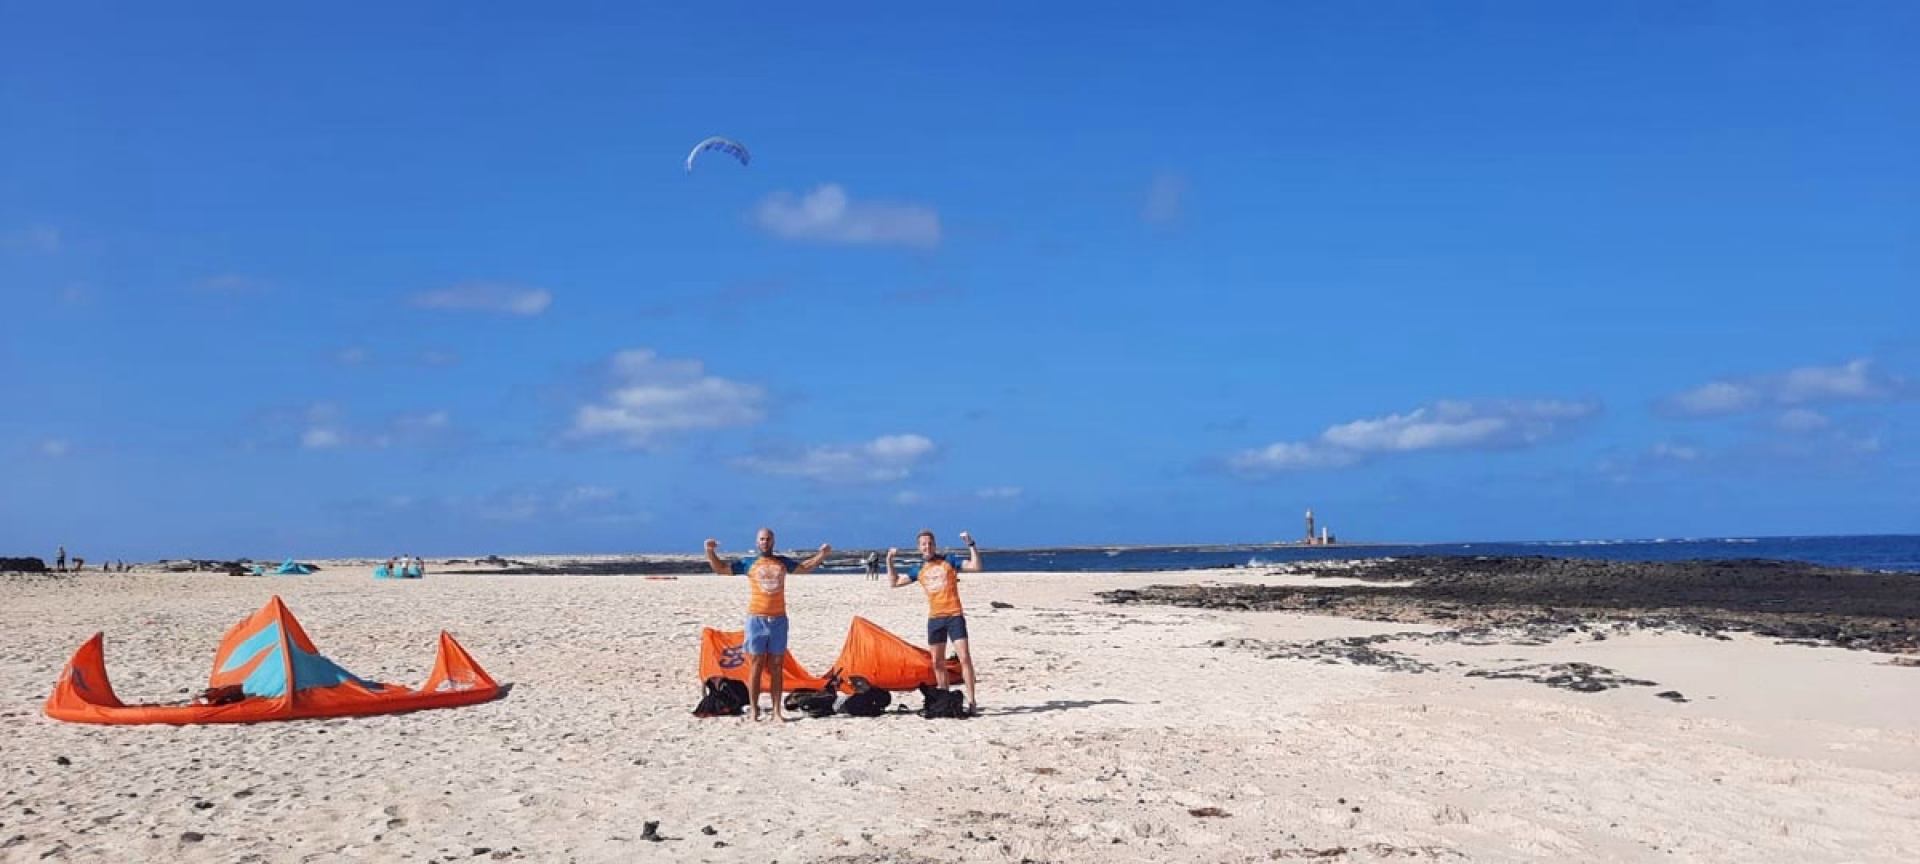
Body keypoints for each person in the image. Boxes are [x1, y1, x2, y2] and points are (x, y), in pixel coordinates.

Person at [705, 528, 831, 722]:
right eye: (762, 539)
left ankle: (777, 711)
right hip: (756, 619)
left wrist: (822, 554)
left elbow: (804, 567)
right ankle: (754, 710)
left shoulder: (781, 562)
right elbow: (721, 569)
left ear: (773, 541)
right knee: (756, 666)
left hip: (779, 620)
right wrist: (710, 551)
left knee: (777, 667)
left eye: (768, 539)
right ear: (757, 542)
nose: (765, 542)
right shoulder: (749, 563)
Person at [887, 530, 983, 714]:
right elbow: (895, 583)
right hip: (935, 619)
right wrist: (889, 560)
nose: (927, 546)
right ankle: (945, 700)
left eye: (930, 543)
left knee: (964, 658)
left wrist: (971, 544)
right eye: (924, 544)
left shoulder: (949, 561)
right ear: (919, 547)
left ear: (935, 545)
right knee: (938, 663)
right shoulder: (919, 569)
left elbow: (976, 566)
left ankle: (972, 701)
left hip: (954, 616)